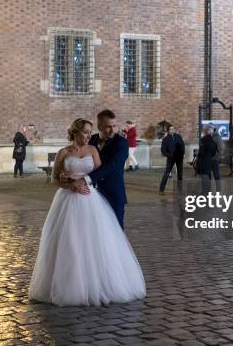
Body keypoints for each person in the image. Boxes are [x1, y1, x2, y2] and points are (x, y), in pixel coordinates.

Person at [29, 118, 146, 306]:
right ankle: (70, 285)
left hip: (91, 200)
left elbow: (99, 175)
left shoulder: (93, 150)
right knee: (70, 241)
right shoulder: (63, 153)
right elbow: (54, 180)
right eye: (84, 132)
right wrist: (70, 184)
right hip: (67, 200)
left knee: (96, 240)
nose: (88, 136)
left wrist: (86, 182)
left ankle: (99, 282)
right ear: (75, 132)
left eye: (89, 132)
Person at [68, 110, 130, 229]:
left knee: (116, 231)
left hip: (113, 194)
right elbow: (78, 157)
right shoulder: (90, 140)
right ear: (99, 126)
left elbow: (112, 166)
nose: (112, 130)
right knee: (94, 231)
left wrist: (85, 179)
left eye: (114, 126)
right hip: (90, 195)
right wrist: (69, 173)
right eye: (108, 127)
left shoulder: (121, 143)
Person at [159, 125, 185, 194]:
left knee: (180, 174)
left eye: (173, 129)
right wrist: (169, 155)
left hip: (179, 158)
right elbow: (163, 150)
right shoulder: (165, 139)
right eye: (171, 129)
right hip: (171, 158)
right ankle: (161, 190)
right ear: (168, 130)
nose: (172, 130)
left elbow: (182, 146)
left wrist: (182, 154)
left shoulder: (178, 136)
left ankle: (180, 190)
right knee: (167, 173)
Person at [196, 126, 216, 193]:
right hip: (210, 160)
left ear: (206, 132)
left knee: (204, 176)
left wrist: (199, 157)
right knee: (208, 175)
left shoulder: (203, 140)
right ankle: (208, 190)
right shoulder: (213, 141)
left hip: (203, 160)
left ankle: (204, 191)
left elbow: (201, 151)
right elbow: (214, 152)